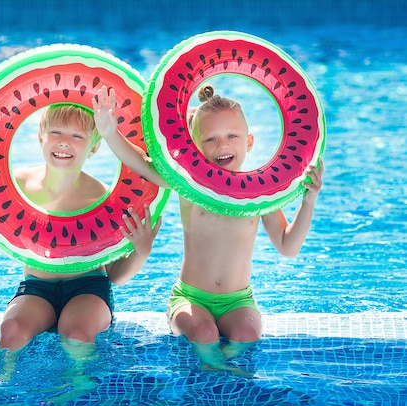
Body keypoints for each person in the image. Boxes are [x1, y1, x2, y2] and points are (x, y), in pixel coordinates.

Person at [93, 84, 324, 372]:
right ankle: (219, 366)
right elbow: (140, 164)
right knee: (204, 334)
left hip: (238, 300)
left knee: (247, 335)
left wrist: (309, 201)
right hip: (191, 298)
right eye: (211, 138)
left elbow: (288, 247)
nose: (222, 145)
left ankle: (216, 365)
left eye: (232, 136)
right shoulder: (191, 184)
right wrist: (109, 132)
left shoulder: (259, 193)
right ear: (196, 146)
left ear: (249, 142)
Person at [0, 103, 162, 356]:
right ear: (40, 137)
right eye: (56, 132)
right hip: (37, 287)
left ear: (94, 147)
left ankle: (79, 387)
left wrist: (142, 250)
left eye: (77, 136)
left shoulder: (106, 198)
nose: (64, 142)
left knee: (77, 335)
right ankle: (2, 387)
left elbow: (115, 275)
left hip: (88, 288)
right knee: (11, 330)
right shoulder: (15, 186)